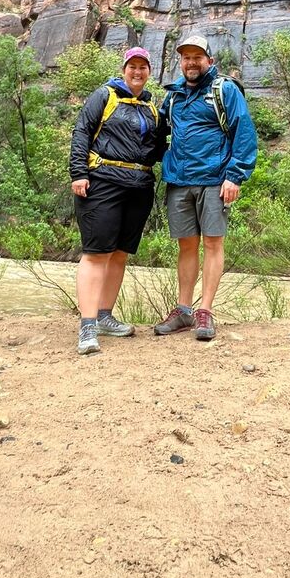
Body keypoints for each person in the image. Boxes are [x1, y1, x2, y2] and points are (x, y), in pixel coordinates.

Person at [154, 33, 257, 341]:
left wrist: (235, 176)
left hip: (215, 180)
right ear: (180, 62)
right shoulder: (172, 96)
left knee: (213, 244)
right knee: (186, 246)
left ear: (209, 61)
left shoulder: (223, 90)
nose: (191, 62)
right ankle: (184, 310)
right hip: (180, 182)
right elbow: (158, 135)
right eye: (186, 57)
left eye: (197, 56)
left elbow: (244, 132)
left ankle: (205, 312)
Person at [69, 46, 163, 355]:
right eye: (132, 66)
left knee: (120, 253)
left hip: (139, 186)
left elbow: (159, 147)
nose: (137, 72)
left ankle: (105, 316)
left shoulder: (151, 108)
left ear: (150, 71)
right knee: (97, 253)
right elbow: (82, 131)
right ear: (124, 69)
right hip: (103, 182)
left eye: (143, 67)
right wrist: (78, 173)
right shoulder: (105, 95)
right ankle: (87, 326)